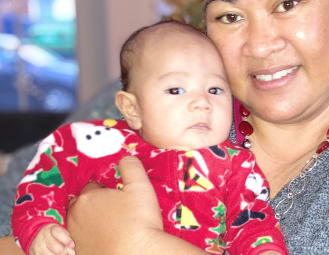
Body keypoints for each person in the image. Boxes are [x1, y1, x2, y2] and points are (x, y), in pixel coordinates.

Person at [2, 0, 329, 254]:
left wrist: (136, 245)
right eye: (230, 16)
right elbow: (13, 204)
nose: (261, 45)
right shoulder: (155, 89)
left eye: (287, 3)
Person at [10, 20, 287, 255]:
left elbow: (252, 222)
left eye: (215, 89)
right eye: (176, 90)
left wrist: (265, 249)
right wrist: (39, 227)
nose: (202, 103)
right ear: (132, 108)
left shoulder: (237, 165)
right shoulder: (92, 143)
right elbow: (42, 185)